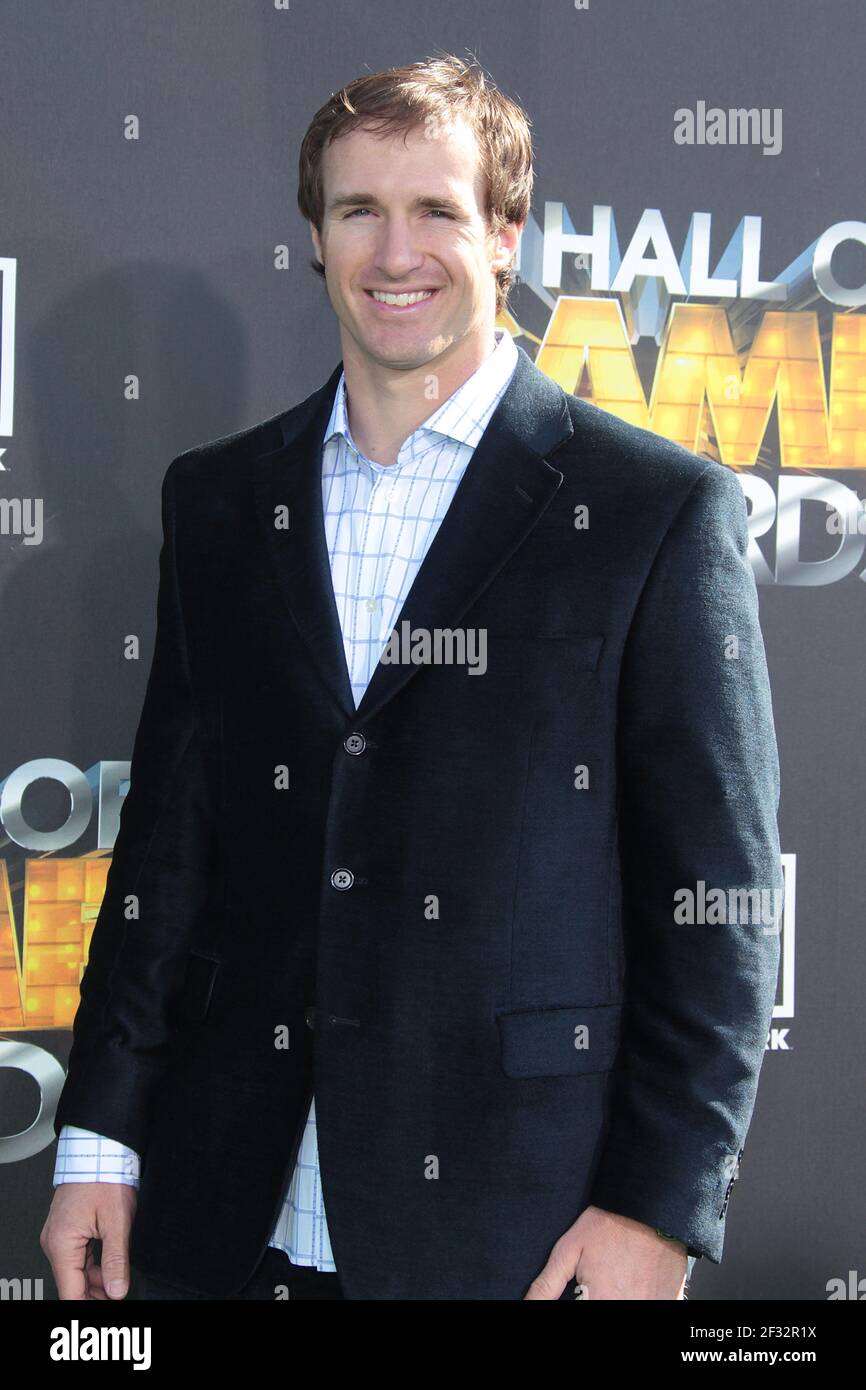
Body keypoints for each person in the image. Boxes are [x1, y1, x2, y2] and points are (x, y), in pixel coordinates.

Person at [41, 53, 782, 1301]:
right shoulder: (221, 501)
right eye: (356, 211)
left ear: (504, 235)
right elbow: (166, 853)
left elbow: (714, 903)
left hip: (521, 1232)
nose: (396, 251)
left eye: (435, 209)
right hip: (232, 1205)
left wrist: (655, 1210)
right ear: (316, 240)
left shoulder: (655, 511)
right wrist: (101, 1132)